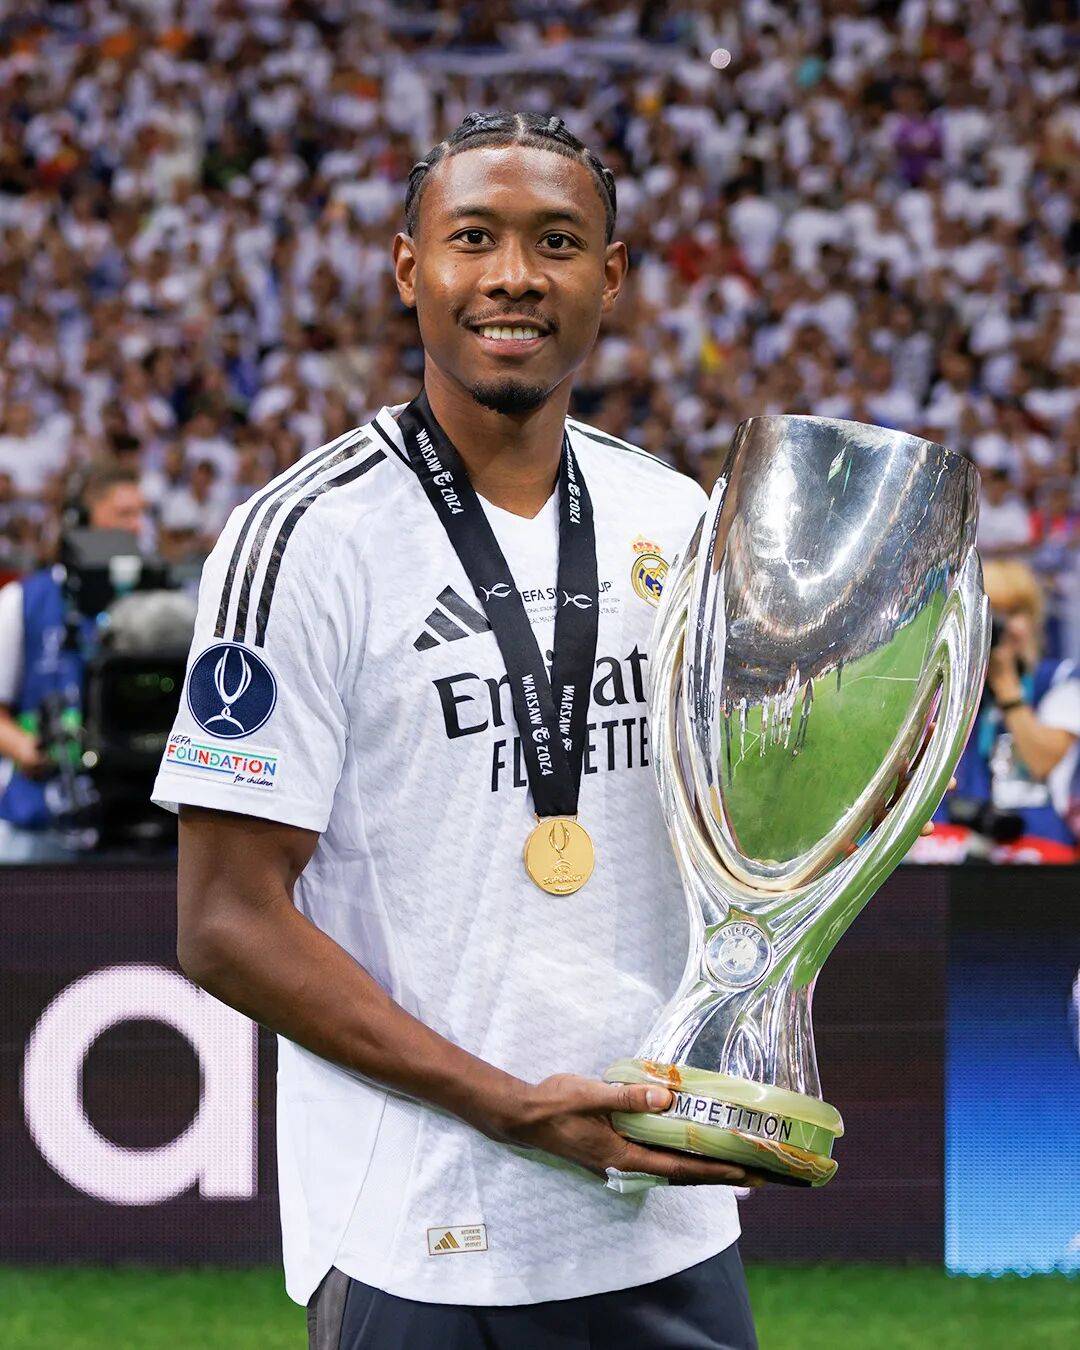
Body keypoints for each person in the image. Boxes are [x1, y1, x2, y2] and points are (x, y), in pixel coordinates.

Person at [154, 112, 764, 1350]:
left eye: (557, 242)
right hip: (421, 1239)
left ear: (611, 276)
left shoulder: (676, 515)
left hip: (664, 1217)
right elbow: (224, 923)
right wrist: (504, 1104)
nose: (514, 276)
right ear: (408, 267)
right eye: (472, 237)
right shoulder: (303, 540)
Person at [0, 462, 146, 862]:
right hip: (39, 819)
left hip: (131, 824)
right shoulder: (23, 601)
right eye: (124, 513)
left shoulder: (151, 604)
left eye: (142, 514)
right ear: (80, 521)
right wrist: (26, 748)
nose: (137, 526)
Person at [933, 559, 1080, 863]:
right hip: (957, 842)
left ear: (1033, 620)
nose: (1000, 629)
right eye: (991, 615)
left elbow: (1043, 761)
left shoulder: (1060, 679)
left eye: (1011, 613)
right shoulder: (950, 689)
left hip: (1036, 847)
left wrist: (1007, 688)